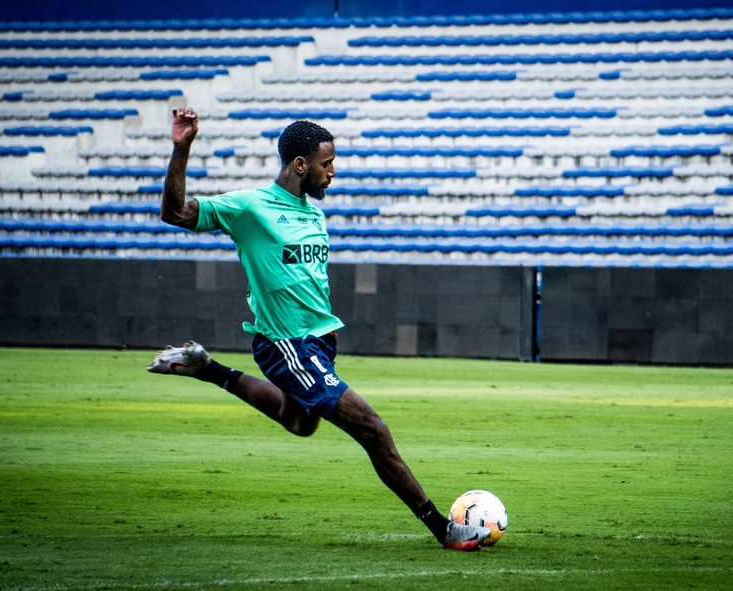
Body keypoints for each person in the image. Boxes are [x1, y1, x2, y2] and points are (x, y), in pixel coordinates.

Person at [146, 107, 490, 551]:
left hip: (319, 343)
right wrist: (182, 147)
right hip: (287, 345)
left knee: (300, 422)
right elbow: (174, 212)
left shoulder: (313, 213)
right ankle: (444, 528)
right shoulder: (250, 207)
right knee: (372, 428)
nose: (333, 173)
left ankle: (207, 368)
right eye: (327, 164)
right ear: (301, 165)